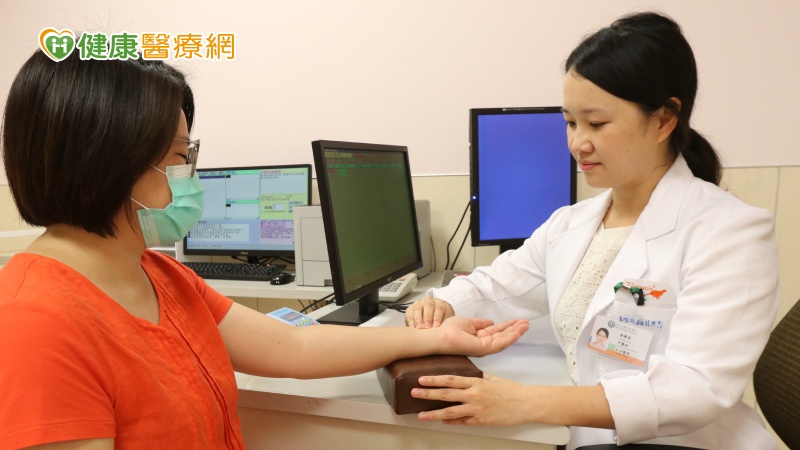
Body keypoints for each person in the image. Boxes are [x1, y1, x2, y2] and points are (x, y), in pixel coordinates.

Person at [0, 50, 530, 450]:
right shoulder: (35, 322)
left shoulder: (159, 273)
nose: (190, 175)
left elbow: (292, 347)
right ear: (106, 162)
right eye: (180, 157)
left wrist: (433, 338)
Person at [404, 11, 780, 450]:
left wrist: (523, 401)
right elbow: (497, 286)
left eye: (596, 123)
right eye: (570, 122)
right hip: (589, 437)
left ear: (664, 120)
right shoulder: (571, 224)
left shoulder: (730, 231)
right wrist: (441, 305)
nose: (577, 143)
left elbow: (693, 388)